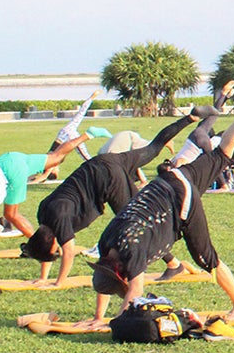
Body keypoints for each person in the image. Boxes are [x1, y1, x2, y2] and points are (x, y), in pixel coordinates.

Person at [71, 93, 234, 328]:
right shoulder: (106, 244)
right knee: (221, 154)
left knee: (206, 257)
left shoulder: (130, 251)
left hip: (181, 201)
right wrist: (99, 317)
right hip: (170, 179)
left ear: (120, 273)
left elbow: (136, 290)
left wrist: (115, 323)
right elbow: (106, 277)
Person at [21, 110, 199, 285]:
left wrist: (58, 282)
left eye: (54, 251)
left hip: (108, 180)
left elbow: (69, 251)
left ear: (51, 242)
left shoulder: (58, 220)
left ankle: (174, 263)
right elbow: (44, 245)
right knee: (152, 149)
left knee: (136, 223)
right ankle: (190, 117)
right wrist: (43, 277)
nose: (58, 250)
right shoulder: (44, 214)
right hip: (103, 162)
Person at [30, 90, 103, 181]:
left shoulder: (51, 165)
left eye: (57, 172)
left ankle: (100, 169)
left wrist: (33, 182)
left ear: (53, 172)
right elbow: (38, 173)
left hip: (68, 137)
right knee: (79, 115)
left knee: (85, 157)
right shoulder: (45, 162)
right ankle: (92, 97)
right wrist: (30, 177)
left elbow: (44, 176)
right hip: (63, 133)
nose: (58, 170)